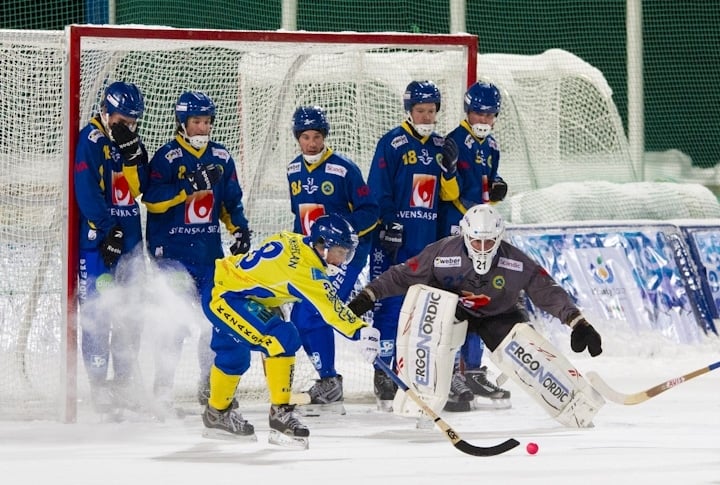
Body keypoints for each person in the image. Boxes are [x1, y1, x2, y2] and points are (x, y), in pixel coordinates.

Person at [348, 204, 603, 421]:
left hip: (499, 314)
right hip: (452, 312)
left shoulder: (516, 261)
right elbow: (402, 274)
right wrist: (368, 295)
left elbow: (547, 290)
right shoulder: (441, 253)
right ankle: (426, 390)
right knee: (429, 307)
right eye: (476, 240)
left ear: (500, 237)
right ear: (465, 235)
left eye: (489, 241)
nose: (482, 247)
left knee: (523, 344)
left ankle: (574, 404)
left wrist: (577, 322)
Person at [199, 214, 380, 448]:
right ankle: (280, 414)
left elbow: (269, 272)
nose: (343, 260)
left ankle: (217, 414)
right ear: (323, 245)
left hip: (227, 285)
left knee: (233, 356)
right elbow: (333, 311)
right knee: (283, 337)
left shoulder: (294, 239)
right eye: (341, 252)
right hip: (224, 297)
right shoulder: (307, 271)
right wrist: (361, 332)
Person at [141, 91, 252, 411]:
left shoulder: (222, 156)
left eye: (206, 122)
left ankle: (209, 384)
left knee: (215, 320)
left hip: (208, 255)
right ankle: (162, 389)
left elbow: (231, 201)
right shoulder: (166, 157)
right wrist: (189, 186)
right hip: (171, 256)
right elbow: (152, 200)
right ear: (182, 123)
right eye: (196, 122)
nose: (202, 128)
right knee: (174, 322)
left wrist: (239, 229)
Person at [366, 80, 459, 409]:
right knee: (390, 306)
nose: (426, 116)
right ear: (408, 110)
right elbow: (377, 188)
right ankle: (383, 372)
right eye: (420, 111)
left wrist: (449, 170)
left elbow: (449, 197)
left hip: (427, 243)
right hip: (395, 241)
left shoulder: (441, 145)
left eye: (431, 111)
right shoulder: (391, 142)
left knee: (426, 310)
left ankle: (420, 373)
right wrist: (387, 221)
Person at [286, 106, 379, 413]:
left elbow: (370, 211)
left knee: (315, 312)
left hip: (344, 256)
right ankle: (327, 379)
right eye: (305, 137)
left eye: (316, 137)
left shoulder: (344, 169)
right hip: (311, 258)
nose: (311, 143)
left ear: (324, 137)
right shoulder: (292, 171)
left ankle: (329, 380)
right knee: (301, 318)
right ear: (298, 139)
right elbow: (298, 219)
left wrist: (342, 235)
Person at [74, 81, 149, 415]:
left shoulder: (131, 141)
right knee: (98, 315)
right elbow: (86, 190)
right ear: (105, 112)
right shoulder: (90, 139)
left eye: (133, 121)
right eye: (122, 120)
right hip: (99, 244)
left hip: (130, 241)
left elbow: (142, 189)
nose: (128, 126)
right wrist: (107, 230)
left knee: (132, 316)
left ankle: (123, 384)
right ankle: (98, 387)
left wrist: (134, 155)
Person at [438, 81, 510, 410]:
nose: (484, 118)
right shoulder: (453, 141)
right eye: (479, 112)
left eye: (490, 113)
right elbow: (447, 194)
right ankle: (450, 372)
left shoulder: (491, 145)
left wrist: (494, 188)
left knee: (479, 301)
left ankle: (473, 370)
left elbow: (486, 185)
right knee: (454, 304)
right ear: (468, 111)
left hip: (481, 235)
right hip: (456, 232)